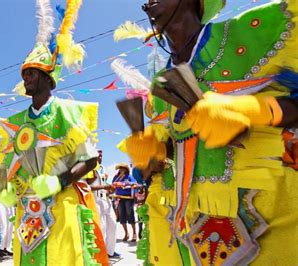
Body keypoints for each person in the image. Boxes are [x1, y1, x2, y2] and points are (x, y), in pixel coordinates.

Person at [124, 0, 298, 265]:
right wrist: (153, 159)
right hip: (176, 232)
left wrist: (255, 110)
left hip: (266, 224)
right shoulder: (159, 84)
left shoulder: (256, 30)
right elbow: (170, 159)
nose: (149, 3)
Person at [0, 0, 108, 264]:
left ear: (48, 78)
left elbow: (89, 159)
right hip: (25, 212)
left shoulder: (66, 112)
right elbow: (3, 167)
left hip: (61, 206)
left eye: (32, 73)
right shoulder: (15, 122)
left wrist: (59, 181)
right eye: (25, 74)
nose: (26, 79)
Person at [87, 150, 120, 259]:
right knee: (101, 228)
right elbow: (87, 187)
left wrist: (110, 189)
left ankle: (110, 252)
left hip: (106, 200)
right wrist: (104, 187)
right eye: (98, 155)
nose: (100, 157)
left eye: (101, 155)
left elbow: (104, 185)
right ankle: (99, 255)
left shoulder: (102, 169)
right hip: (96, 201)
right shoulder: (88, 169)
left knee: (113, 225)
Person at [111, 163, 139, 242]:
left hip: (128, 197)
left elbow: (135, 184)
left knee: (130, 214)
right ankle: (126, 233)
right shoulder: (116, 177)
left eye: (123, 168)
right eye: (120, 168)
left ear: (126, 169)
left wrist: (125, 184)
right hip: (119, 198)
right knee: (122, 215)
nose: (122, 169)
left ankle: (134, 233)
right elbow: (112, 185)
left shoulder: (129, 176)